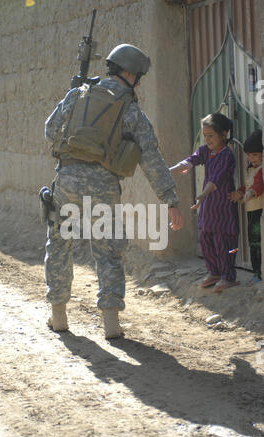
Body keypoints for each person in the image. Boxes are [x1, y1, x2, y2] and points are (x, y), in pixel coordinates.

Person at [44, 44, 184, 338]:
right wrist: (170, 199)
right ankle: (110, 324)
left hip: (67, 180)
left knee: (59, 244)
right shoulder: (132, 111)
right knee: (108, 251)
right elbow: (151, 158)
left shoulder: (78, 94)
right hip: (104, 187)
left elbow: (50, 130)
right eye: (139, 77)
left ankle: (59, 317)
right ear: (130, 74)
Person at [170, 113, 239, 293]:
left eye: (211, 136)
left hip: (223, 208)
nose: (207, 139)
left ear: (223, 134)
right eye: (205, 135)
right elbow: (190, 161)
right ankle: (214, 272)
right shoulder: (205, 152)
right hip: (209, 208)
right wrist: (168, 170)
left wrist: (202, 195)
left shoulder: (227, 156)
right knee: (206, 239)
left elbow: (216, 179)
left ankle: (228, 277)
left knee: (223, 242)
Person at [228, 129, 263, 282]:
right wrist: (240, 192)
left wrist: (249, 194)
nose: (251, 158)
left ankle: (258, 273)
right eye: (249, 155)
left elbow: (257, 186)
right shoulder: (251, 169)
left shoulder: (261, 170)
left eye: (255, 155)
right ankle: (256, 272)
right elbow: (247, 186)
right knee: (253, 242)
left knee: (257, 242)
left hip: (258, 213)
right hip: (251, 213)